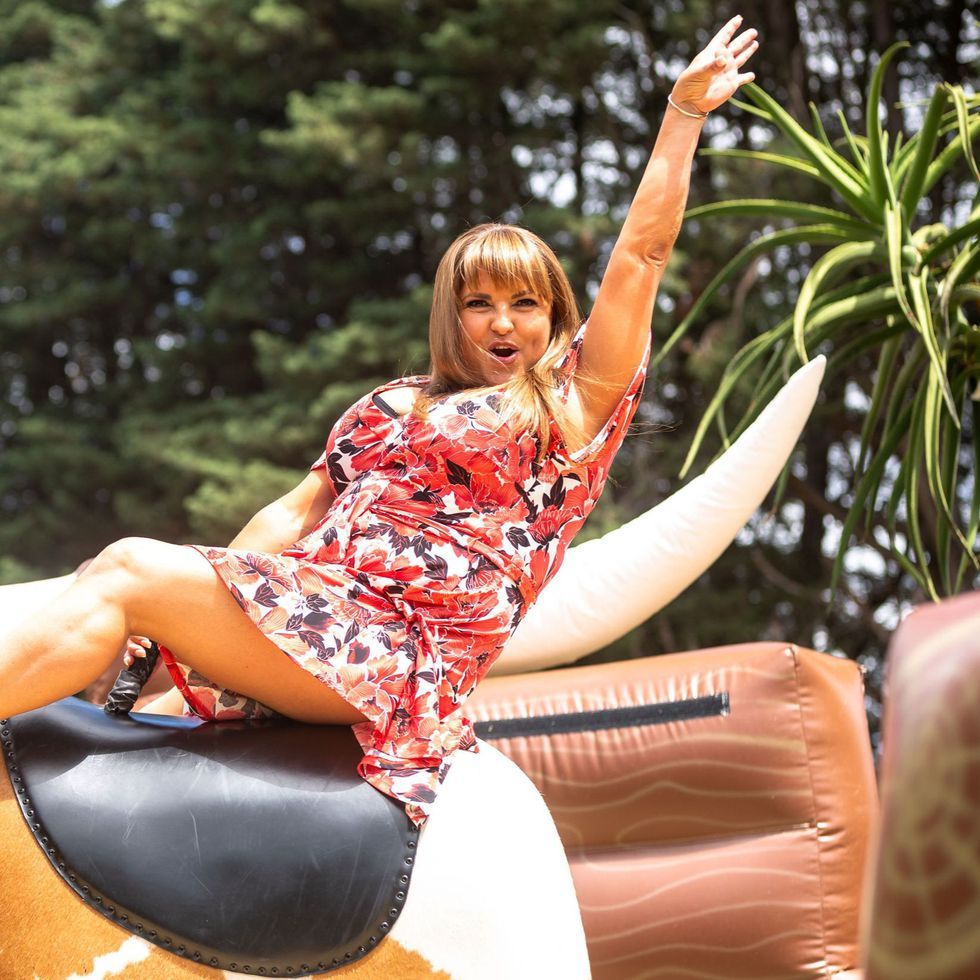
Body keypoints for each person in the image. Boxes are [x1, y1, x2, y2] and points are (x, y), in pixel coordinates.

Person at [0, 18, 758, 828]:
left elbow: (642, 255)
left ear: (554, 316)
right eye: (479, 303)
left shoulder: (570, 406)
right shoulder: (388, 405)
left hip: (397, 655)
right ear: (451, 317)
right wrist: (191, 612)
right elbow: (291, 516)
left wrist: (683, 115)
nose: (503, 322)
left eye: (526, 303)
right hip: (305, 612)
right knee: (125, 630)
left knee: (127, 568)